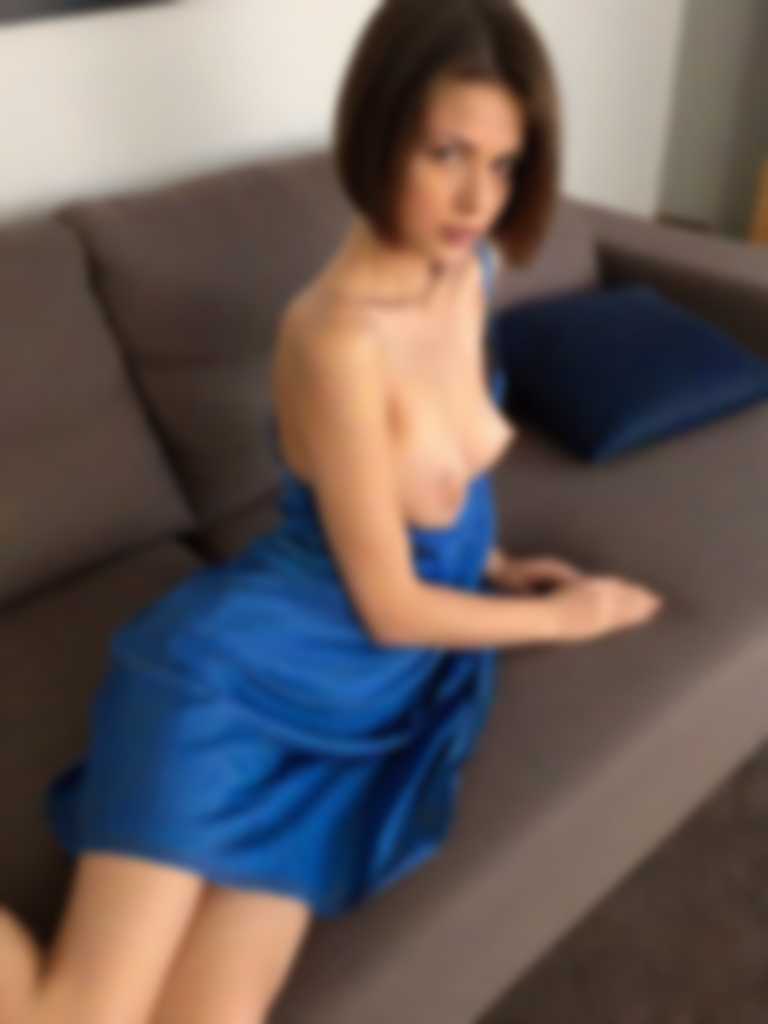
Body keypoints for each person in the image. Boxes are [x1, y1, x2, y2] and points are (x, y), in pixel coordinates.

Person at [0, 2, 665, 1023]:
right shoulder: (334, 340)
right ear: (379, 131)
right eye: (447, 154)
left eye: (503, 164)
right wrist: (564, 618)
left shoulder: (470, 267)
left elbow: (434, 477)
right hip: (232, 680)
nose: (476, 198)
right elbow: (392, 608)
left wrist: (491, 561)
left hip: (367, 700)